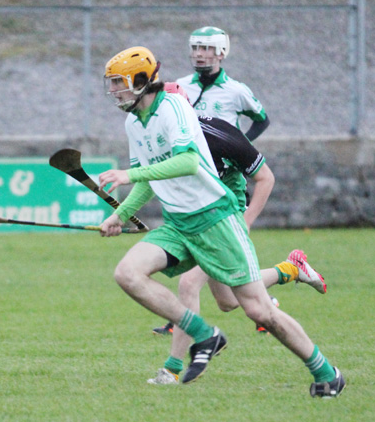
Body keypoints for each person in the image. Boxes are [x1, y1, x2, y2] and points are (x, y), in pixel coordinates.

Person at [99, 46, 345, 398]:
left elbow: (186, 162)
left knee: (258, 311)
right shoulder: (132, 122)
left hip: (215, 219)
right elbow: (147, 180)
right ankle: (205, 334)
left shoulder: (173, 107)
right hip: (178, 224)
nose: (114, 92)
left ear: (141, 81)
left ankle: (326, 372)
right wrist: (119, 215)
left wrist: (128, 173)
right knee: (127, 273)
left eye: (118, 84)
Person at [151, 83, 326, 339]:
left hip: (226, 216)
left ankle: (174, 367)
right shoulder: (164, 140)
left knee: (188, 283)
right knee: (228, 301)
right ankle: (290, 269)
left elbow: (266, 178)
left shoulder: (219, 134)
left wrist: (245, 221)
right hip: (200, 218)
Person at [177, 26, 270, 142]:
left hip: (223, 160)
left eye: (205, 48)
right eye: (195, 48)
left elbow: (262, 120)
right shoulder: (180, 86)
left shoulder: (236, 91)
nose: (198, 54)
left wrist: (242, 147)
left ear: (221, 53)